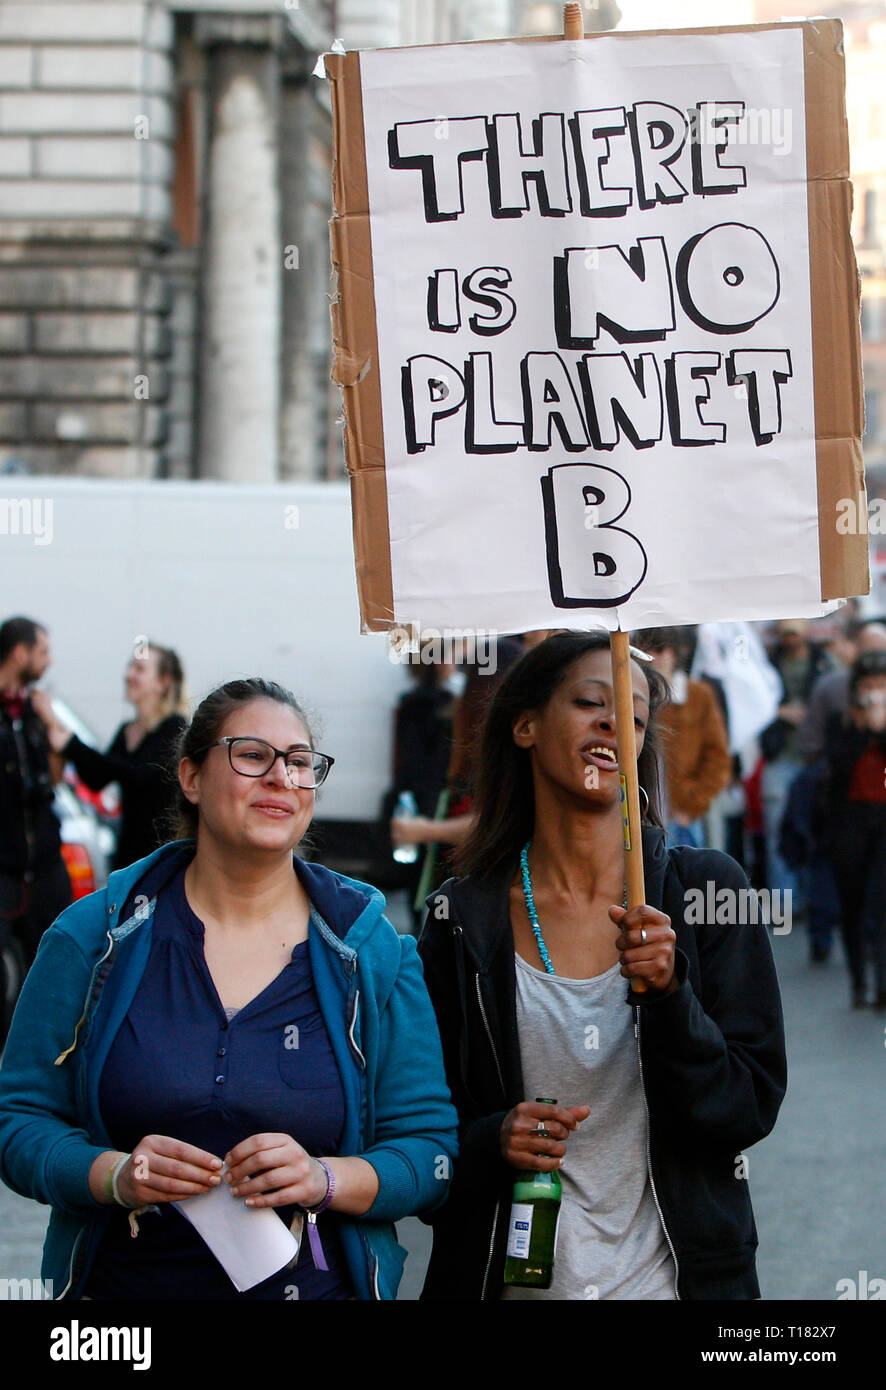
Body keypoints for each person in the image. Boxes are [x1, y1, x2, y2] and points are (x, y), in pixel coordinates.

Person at [0, 676, 458, 1300]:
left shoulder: (373, 951)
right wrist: (113, 1175)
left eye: (300, 763)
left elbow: (428, 1154)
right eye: (251, 755)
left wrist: (323, 1178)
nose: (281, 778)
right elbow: (20, 1121)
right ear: (191, 777)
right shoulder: (92, 936)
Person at [417, 632, 786, 1301]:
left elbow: (747, 1108)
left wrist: (672, 995)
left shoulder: (706, 892)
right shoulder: (460, 918)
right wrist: (491, 1139)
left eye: (635, 717)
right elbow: (419, 1133)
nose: (615, 722)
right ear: (524, 725)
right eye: (591, 702)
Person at [32, 642, 188, 870]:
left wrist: (72, 744)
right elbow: (97, 777)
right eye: (130, 667)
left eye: (139, 669)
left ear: (163, 683)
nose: (129, 675)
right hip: (129, 855)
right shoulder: (127, 730)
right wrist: (60, 736)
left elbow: (139, 773)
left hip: (162, 857)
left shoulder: (174, 728)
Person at [0, 617, 72, 996]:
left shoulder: (34, 711)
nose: (49, 662)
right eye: (43, 652)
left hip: (44, 868)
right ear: (19, 653)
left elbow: (56, 779)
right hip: (5, 871)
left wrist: (50, 722)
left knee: (51, 972)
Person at [820, 651, 886, 1008]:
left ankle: (882, 983)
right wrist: (864, 730)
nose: (874, 692)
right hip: (849, 823)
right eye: (868, 686)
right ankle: (859, 980)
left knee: (881, 903)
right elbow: (837, 765)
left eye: (881, 685)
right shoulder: (841, 722)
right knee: (853, 903)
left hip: (883, 821)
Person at [633, 627, 731, 848]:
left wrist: (692, 804)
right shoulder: (627, 696)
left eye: (659, 649)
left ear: (674, 654)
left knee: (690, 879)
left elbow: (718, 758)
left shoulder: (698, 695)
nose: (653, 657)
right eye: (645, 650)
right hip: (641, 817)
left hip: (680, 817)